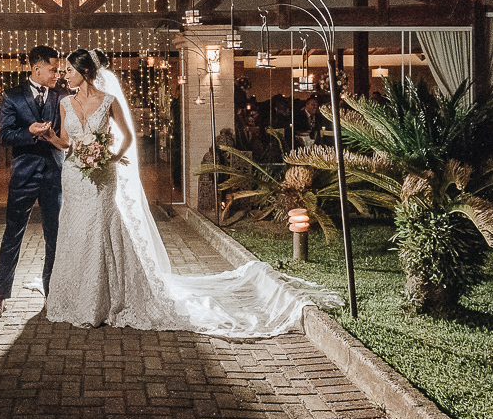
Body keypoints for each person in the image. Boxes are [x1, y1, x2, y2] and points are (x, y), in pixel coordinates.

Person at [39, 48, 342, 337]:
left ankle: (104, 299)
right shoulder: (65, 103)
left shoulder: (108, 100)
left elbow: (128, 137)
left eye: (69, 70)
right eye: (64, 70)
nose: (64, 75)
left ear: (85, 71)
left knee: (101, 230)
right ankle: (74, 298)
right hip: (74, 176)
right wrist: (51, 137)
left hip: (103, 177)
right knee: (76, 232)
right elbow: (67, 143)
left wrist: (110, 159)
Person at [0, 46, 63, 319]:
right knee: (12, 236)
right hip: (24, 175)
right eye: (53, 69)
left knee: (54, 237)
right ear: (37, 69)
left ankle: (52, 294)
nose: (58, 73)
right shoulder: (13, 96)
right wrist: (28, 132)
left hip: (55, 175)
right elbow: (4, 136)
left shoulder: (62, 95)